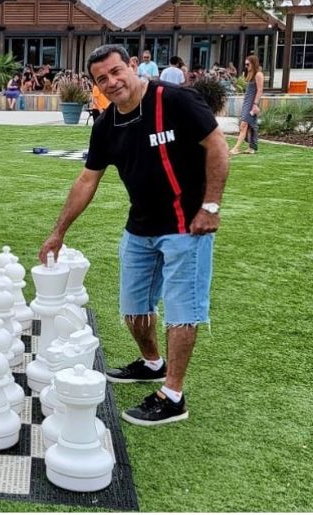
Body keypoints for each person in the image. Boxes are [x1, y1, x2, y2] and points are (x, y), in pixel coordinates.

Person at [38, 44, 229, 426]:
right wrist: (58, 231)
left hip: (185, 227)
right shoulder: (107, 124)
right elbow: (86, 180)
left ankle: (173, 395)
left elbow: (217, 147)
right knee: (134, 308)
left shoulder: (174, 101)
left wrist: (210, 206)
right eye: (101, 79)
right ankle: (153, 363)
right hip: (140, 227)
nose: (111, 82)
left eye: (115, 72)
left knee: (181, 312)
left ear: (131, 66)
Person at [230, 55, 264, 155]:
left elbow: (260, 90)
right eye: (245, 64)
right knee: (249, 125)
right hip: (247, 102)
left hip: (252, 103)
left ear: (253, 63)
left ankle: (236, 148)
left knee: (244, 125)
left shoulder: (258, 74)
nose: (246, 66)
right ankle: (251, 147)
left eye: (248, 64)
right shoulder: (250, 75)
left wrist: (255, 104)